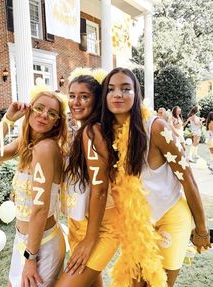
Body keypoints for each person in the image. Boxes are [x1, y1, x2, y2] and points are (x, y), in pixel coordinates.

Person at [100, 67, 211, 287]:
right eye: (111, 89)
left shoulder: (157, 128)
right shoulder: (105, 133)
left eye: (126, 88)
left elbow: (187, 179)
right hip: (138, 224)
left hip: (171, 216)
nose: (118, 94)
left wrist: (201, 229)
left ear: (136, 93)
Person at [0, 90, 67, 287]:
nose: (44, 115)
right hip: (24, 242)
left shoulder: (46, 149)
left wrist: (30, 259)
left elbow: (40, 209)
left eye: (52, 113)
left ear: (57, 122)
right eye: (39, 108)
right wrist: (8, 120)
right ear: (29, 110)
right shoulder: (26, 145)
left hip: (41, 245)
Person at [55, 69, 119, 287]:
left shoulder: (92, 131)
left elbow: (100, 189)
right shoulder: (84, 130)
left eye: (84, 96)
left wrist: (90, 240)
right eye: (72, 95)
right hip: (78, 222)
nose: (76, 102)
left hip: (100, 229)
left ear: (97, 100)